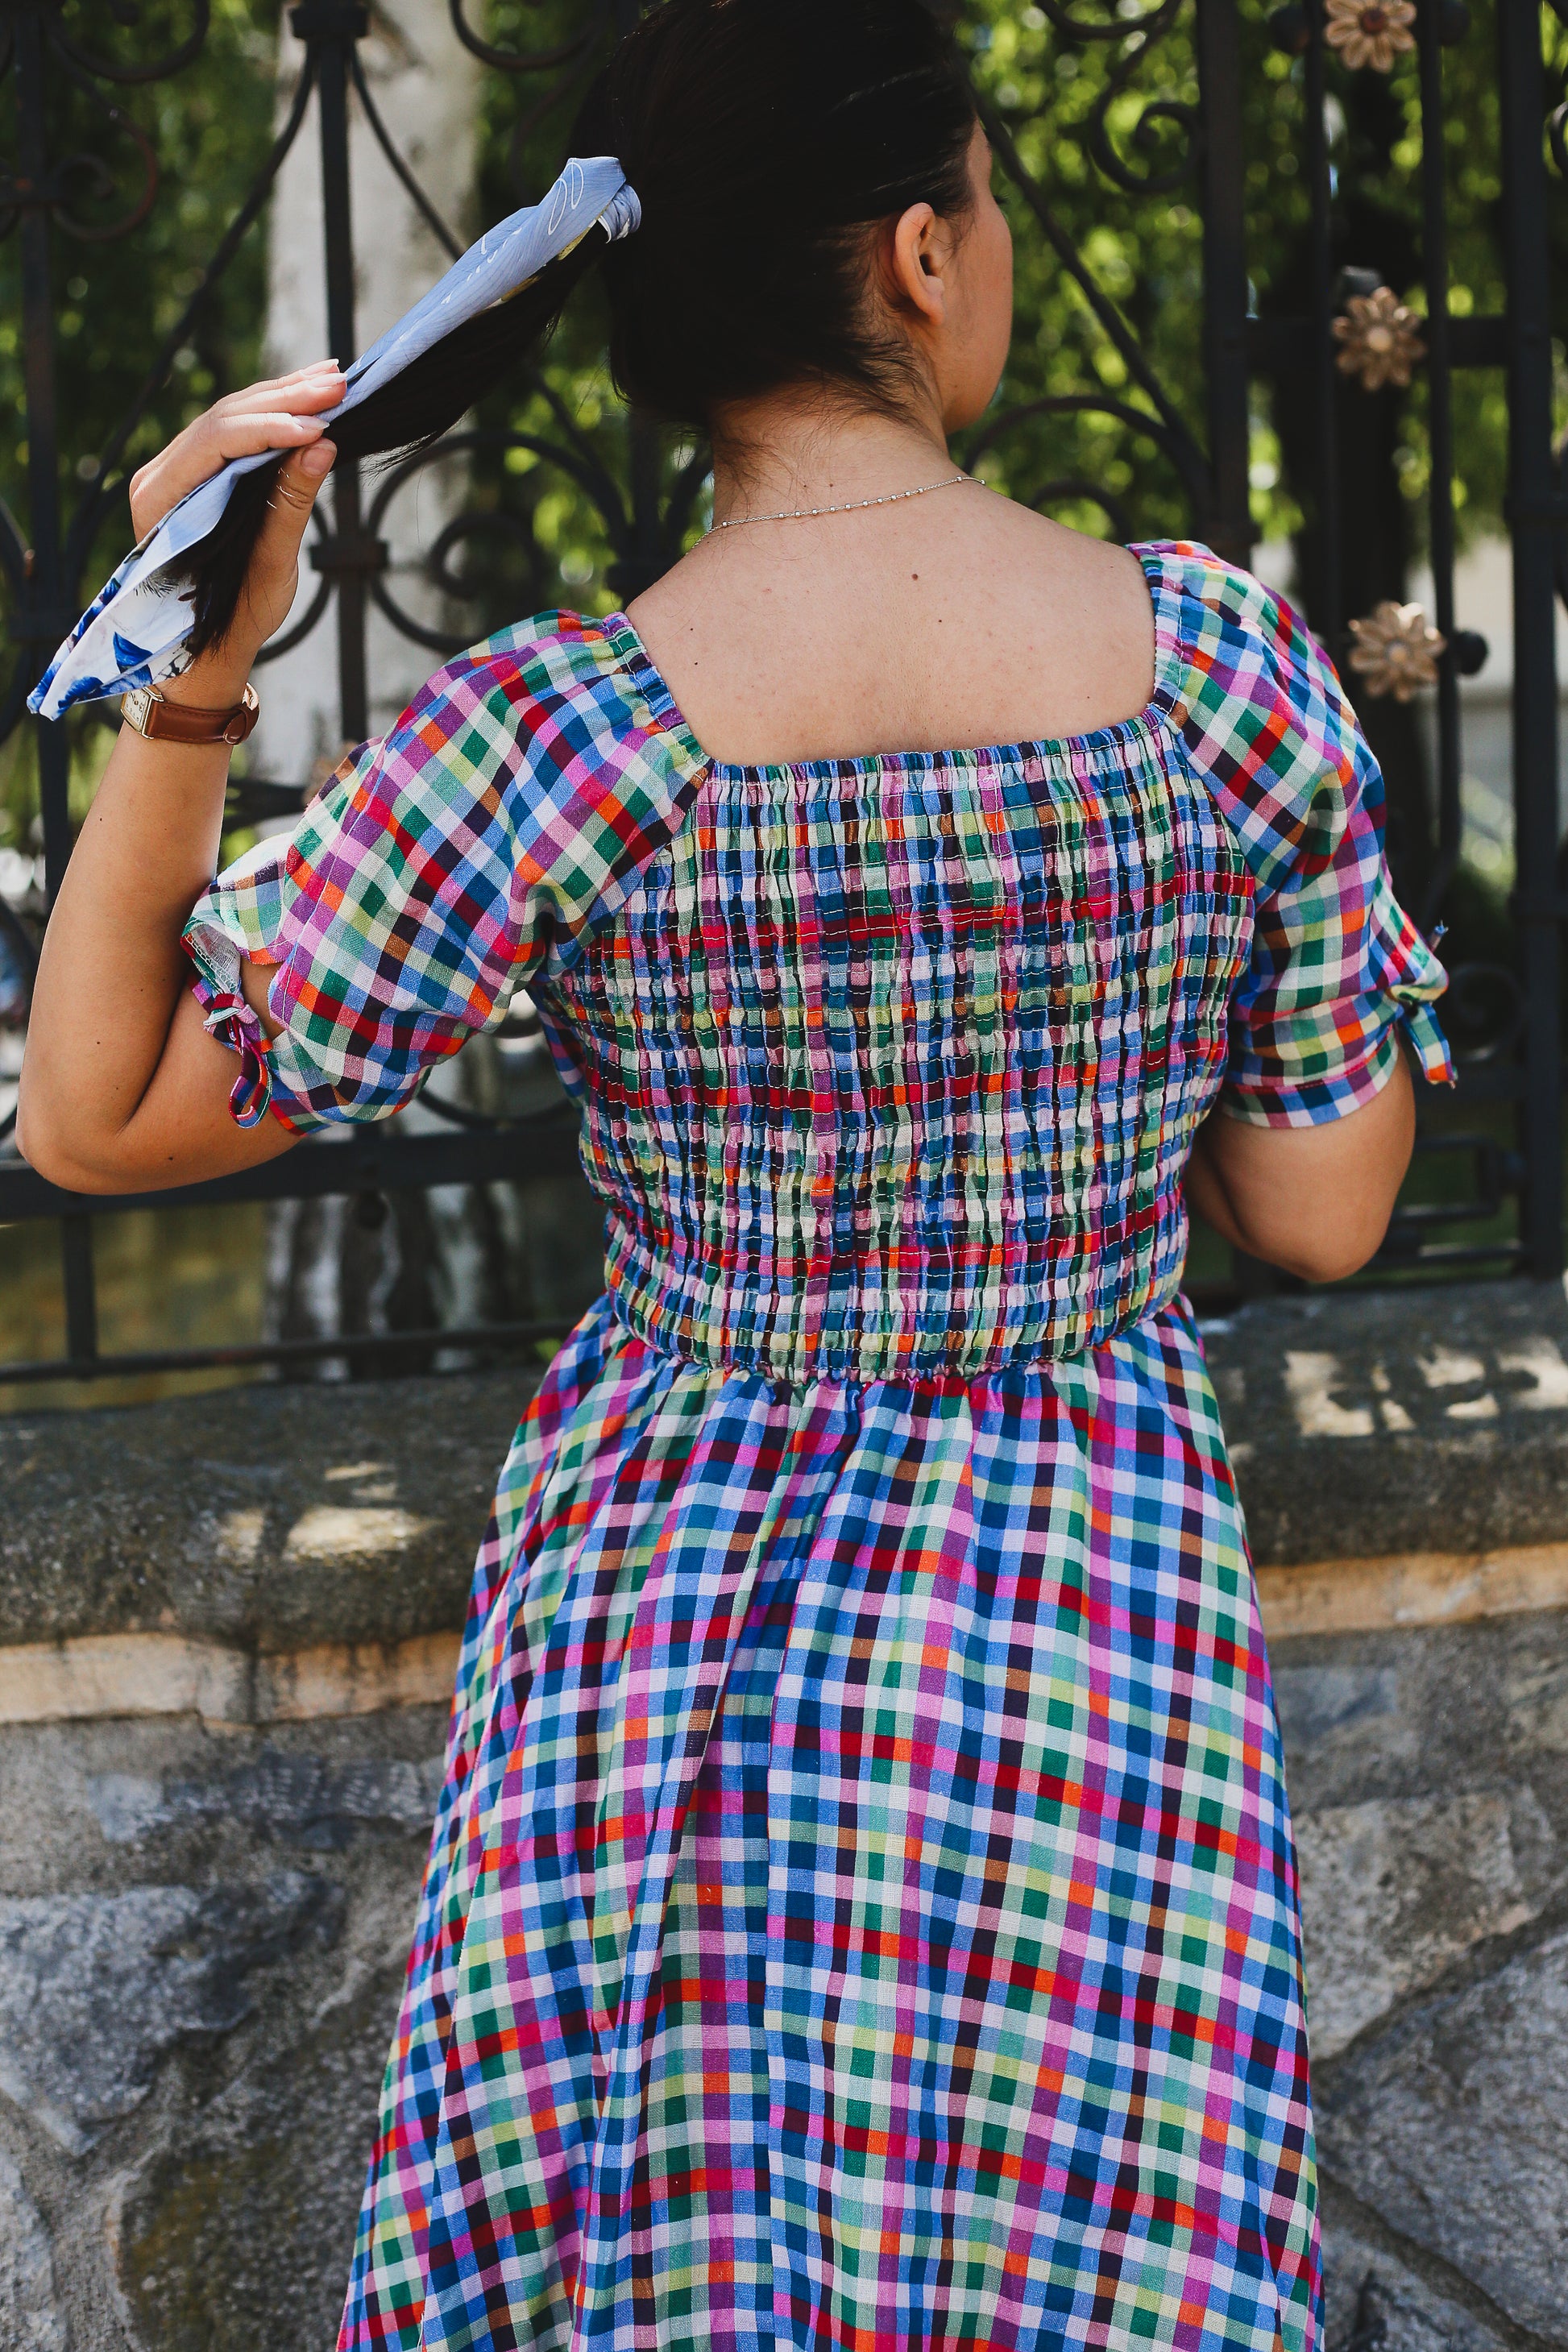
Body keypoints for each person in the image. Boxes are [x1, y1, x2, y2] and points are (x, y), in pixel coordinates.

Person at [19, 1, 1450, 2343]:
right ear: (919, 250)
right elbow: (1317, 1214)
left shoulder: (557, 734)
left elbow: (96, 1115)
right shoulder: (1215, 670)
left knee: (657, 2263)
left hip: (665, 1642)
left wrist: (202, 664)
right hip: (1081, 1643)